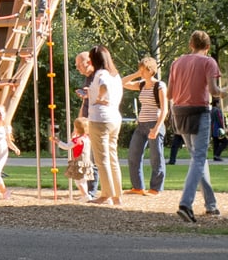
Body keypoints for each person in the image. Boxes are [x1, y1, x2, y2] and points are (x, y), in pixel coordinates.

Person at [167, 29, 228, 222]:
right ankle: (186, 203)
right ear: (208, 47)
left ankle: (211, 205)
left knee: (197, 158)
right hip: (199, 112)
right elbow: (214, 90)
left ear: (190, 44)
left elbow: (169, 94)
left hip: (179, 112)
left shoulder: (177, 63)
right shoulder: (208, 62)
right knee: (199, 158)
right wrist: (225, 91)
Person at [122, 56, 168, 195]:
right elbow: (122, 83)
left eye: (143, 70)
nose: (141, 72)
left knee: (156, 157)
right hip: (141, 125)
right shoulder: (141, 84)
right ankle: (138, 187)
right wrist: (137, 74)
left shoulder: (160, 85)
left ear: (151, 70)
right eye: (140, 69)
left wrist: (156, 128)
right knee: (133, 155)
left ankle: (156, 188)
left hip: (154, 124)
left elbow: (165, 109)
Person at [87, 45, 123, 206]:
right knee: (112, 157)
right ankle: (117, 195)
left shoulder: (101, 73)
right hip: (115, 117)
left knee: (101, 159)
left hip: (100, 118)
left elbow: (103, 86)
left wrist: (100, 97)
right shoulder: (116, 75)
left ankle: (107, 194)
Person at [75, 51, 99, 198]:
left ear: (88, 62)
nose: (78, 68)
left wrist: (90, 94)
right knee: (87, 157)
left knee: (94, 158)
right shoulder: (88, 79)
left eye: (79, 65)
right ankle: (89, 190)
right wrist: (77, 124)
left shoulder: (98, 77)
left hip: (96, 120)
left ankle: (92, 191)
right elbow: (85, 102)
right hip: (86, 122)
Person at [53, 117, 95, 202]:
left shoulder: (77, 140)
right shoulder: (86, 138)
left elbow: (67, 146)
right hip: (86, 162)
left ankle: (86, 196)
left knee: (78, 181)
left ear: (77, 129)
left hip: (79, 162)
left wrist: (57, 141)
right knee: (83, 180)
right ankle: (85, 195)